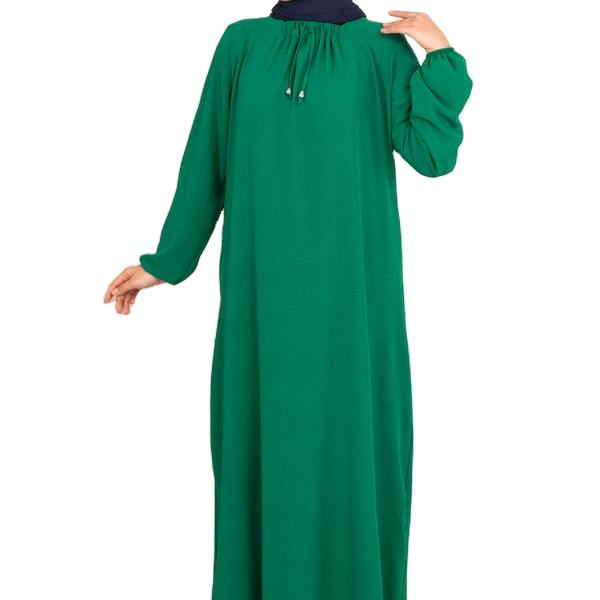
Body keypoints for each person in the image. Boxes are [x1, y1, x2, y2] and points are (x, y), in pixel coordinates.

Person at [103, 1, 472, 598]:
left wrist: (441, 54)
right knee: (263, 445)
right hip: (261, 301)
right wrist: (166, 262)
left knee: (349, 445)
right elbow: (209, 155)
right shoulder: (242, 43)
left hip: (353, 301)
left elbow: (433, 155)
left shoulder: (379, 46)